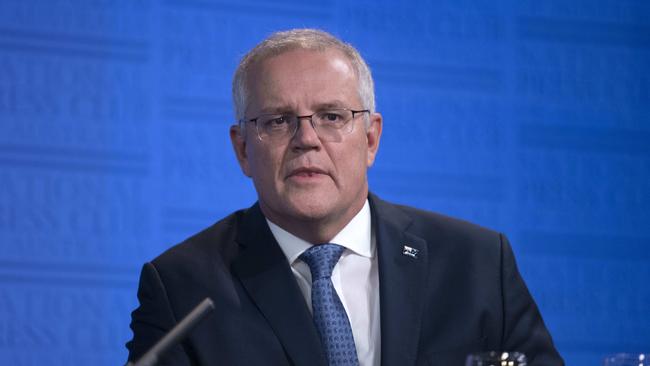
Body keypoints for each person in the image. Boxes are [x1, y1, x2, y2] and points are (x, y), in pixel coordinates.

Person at [126, 29, 563, 366]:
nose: (306, 140)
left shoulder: (478, 263)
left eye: (332, 116)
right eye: (278, 121)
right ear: (243, 149)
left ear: (371, 138)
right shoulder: (183, 288)